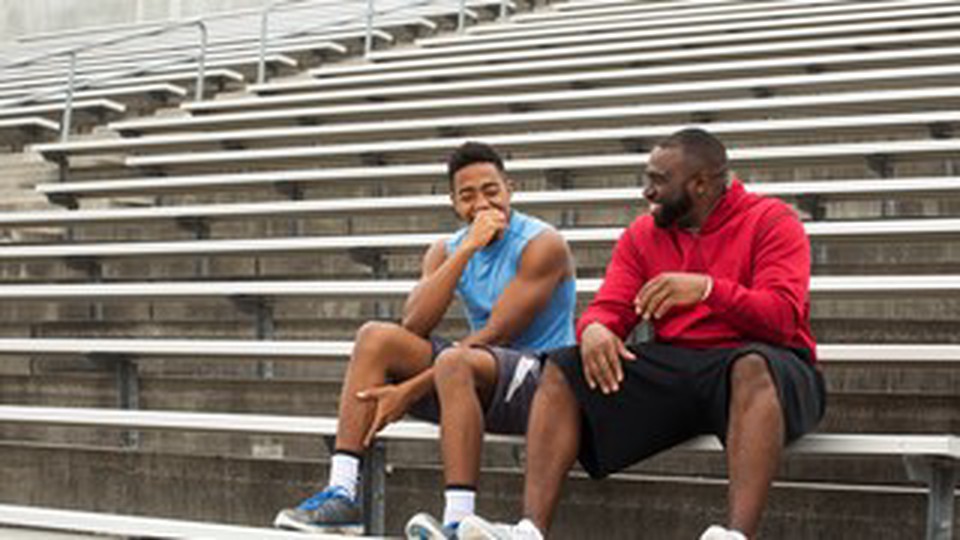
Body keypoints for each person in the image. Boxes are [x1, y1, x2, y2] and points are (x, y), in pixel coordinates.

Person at [458, 128, 826, 540]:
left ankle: (737, 535)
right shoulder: (642, 234)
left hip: (772, 363)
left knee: (751, 366)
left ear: (700, 184)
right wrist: (595, 329)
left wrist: (706, 289)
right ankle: (528, 531)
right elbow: (609, 308)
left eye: (658, 180)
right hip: (680, 363)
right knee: (563, 365)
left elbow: (782, 317)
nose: (646, 192)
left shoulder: (772, 220)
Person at [272, 141, 576, 537]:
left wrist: (411, 390)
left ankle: (455, 520)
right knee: (375, 338)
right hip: (479, 377)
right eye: (467, 196)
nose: (481, 204)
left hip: (543, 386)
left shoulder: (542, 244)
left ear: (510, 190)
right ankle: (342, 494)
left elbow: (499, 334)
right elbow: (414, 324)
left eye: (491, 191)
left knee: (454, 360)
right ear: (452, 203)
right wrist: (466, 248)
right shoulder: (446, 249)